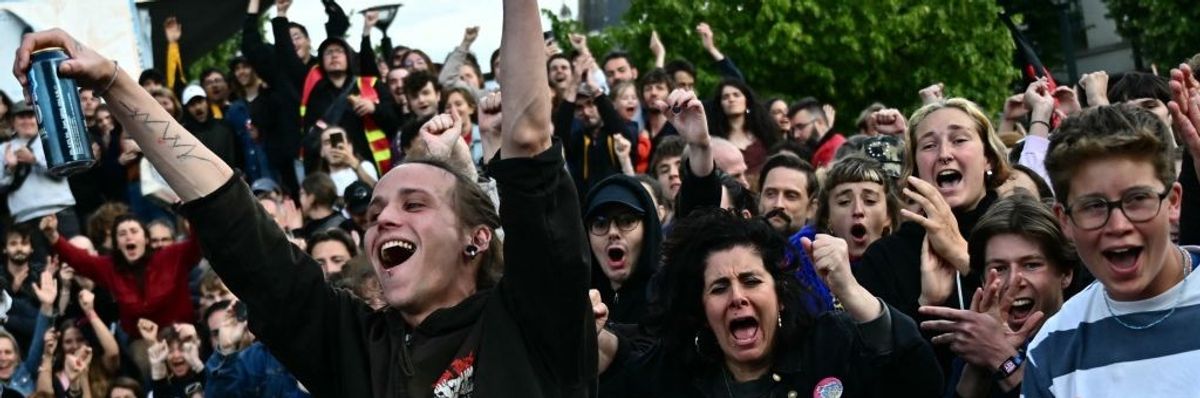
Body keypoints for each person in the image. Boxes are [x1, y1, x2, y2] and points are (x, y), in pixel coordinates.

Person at [11, 1, 595, 393]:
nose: (383, 219)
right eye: (374, 213)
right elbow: (233, 220)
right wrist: (115, 82)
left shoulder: (531, 316)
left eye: (414, 203)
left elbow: (527, 138)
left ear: (478, 237)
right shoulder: (354, 348)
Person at [600, 182, 940, 397]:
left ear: (779, 296)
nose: (737, 297)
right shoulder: (672, 373)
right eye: (719, 288)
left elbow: (921, 382)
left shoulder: (829, 344)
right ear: (702, 309)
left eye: (751, 281)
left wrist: (851, 292)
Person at [1022, 104, 1200, 397]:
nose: (1118, 225)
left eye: (1137, 199)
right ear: (1064, 219)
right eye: (1093, 206)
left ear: (1174, 201)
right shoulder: (1052, 348)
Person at [918, 194, 1076, 398]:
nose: (1013, 281)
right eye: (999, 268)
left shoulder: (1088, 339)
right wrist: (977, 366)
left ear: (1065, 273)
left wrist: (1001, 359)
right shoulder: (978, 345)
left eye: (1031, 265)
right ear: (984, 280)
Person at [42, 214, 202, 337]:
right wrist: (52, 235)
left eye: (134, 231)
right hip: (141, 341)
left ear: (146, 239)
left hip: (183, 331)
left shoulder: (171, 256)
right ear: (117, 243)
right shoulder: (110, 267)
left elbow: (199, 244)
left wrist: (193, 215)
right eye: (122, 233)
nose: (128, 237)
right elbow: (79, 260)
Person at [0, 100, 81, 259]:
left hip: (60, 212)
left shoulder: (54, 141)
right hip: (25, 218)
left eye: (31, 116)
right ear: (12, 121)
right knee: (38, 269)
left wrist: (34, 159)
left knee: (72, 262)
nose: (27, 121)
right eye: (21, 116)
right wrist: (10, 169)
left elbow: (65, 171)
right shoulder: (3, 149)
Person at [584, 175, 661, 324]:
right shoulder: (580, 300)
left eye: (627, 221)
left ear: (647, 229)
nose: (613, 232)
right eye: (600, 224)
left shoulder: (669, 295)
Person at [707, 79, 779, 177]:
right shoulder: (715, 140)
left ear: (746, 100)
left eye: (736, 95)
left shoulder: (764, 133)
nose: (731, 99)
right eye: (725, 97)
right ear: (720, 105)